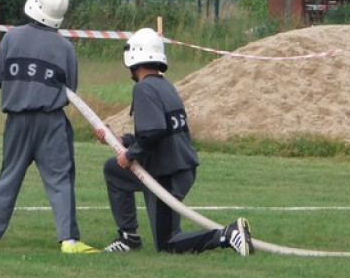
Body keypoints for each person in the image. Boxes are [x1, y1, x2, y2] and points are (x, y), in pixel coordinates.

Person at [94, 28, 253, 256]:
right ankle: (128, 238)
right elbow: (159, 130)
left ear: (133, 58)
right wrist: (122, 141)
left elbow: (155, 130)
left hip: (167, 173)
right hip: (176, 166)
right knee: (114, 170)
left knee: (168, 242)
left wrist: (130, 155)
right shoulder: (163, 85)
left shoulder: (143, 88)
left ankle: (227, 235)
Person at [0, 0, 97, 254]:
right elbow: (71, 89)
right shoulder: (65, 48)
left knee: (9, 176)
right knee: (60, 179)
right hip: (51, 123)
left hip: (17, 122)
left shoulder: (12, 37)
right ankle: (68, 240)